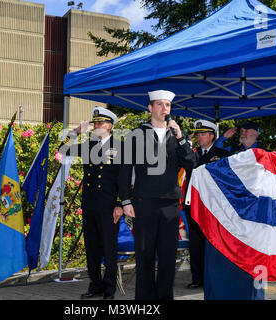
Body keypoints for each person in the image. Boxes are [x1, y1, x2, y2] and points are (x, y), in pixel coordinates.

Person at [118, 90, 197, 300]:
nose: (164, 109)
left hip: (170, 205)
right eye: (160, 105)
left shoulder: (178, 136)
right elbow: (125, 168)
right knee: (144, 256)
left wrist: (180, 138)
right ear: (150, 108)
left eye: (168, 106)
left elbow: (191, 164)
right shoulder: (137, 134)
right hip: (144, 203)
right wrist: (125, 200)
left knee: (168, 256)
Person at [59, 107, 123, 299]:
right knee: (92, 249)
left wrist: (120, 204)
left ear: (110, 126)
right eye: (95, 123)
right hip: (90, 205)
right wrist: (75, 132)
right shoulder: (89, 145)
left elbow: (125, 178)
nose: (96, 125)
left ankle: (109, 289)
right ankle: (96, 285)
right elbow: (63, 149)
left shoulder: (120, 147)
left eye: (100, 122)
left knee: (109, 249)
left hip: (109, 206)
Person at [184, 119, 231, 289]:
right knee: (195, 244)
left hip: (213, 207)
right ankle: (198, 278)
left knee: (213, 243)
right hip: (194, 205)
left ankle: (214, 278)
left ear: (212, 136)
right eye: (198, 134)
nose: (199, 137)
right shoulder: (191, 153)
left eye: (203, 134)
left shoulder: (222, 154)